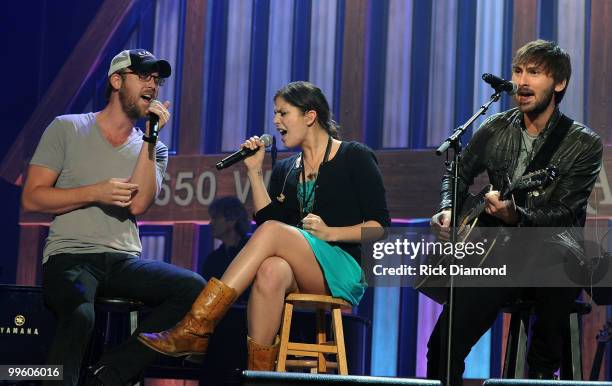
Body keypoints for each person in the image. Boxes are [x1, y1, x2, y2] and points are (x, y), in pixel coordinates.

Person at [138, 81, 390, 371]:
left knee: (271, 234)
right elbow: (270, 224)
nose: (275, 121)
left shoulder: (353, 156)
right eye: (275, 114)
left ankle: (198, 325)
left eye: (283, 113)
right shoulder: (286, 169)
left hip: (342, 267)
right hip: (302, 266)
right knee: (270, 270)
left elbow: (379, 227)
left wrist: (331, 232)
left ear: (310, 116)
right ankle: (260, 372)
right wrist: (255, 172)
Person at [22, 49, 206, 385]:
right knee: (81, 314)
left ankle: (107, 375)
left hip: (122, 262)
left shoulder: (153, 147)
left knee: (192, 288)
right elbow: (33, 197)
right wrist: (95, 192)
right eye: (144, 76)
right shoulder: (68, 128)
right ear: (117, 81)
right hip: (72, 260)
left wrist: (151, 136)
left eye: (157, 79)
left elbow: (138, 206)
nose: (152, 84)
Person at [428, 40, 602, 385]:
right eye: (518, 70)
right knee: (442, 347)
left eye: (534, 73)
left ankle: (540, 372)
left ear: (559, 83)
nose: (522, 81)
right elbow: (457, 173)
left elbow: (566, 212)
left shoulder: (584, 143)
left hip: (553, 255)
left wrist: (517, 215)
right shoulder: (496, 127)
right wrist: (448, 209)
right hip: (499, 253)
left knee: (559, 270)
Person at [200, 196, 251, 303]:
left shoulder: (253, 249)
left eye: (215, 218)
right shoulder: (213, 259)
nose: (210, 223)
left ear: (232, 219)